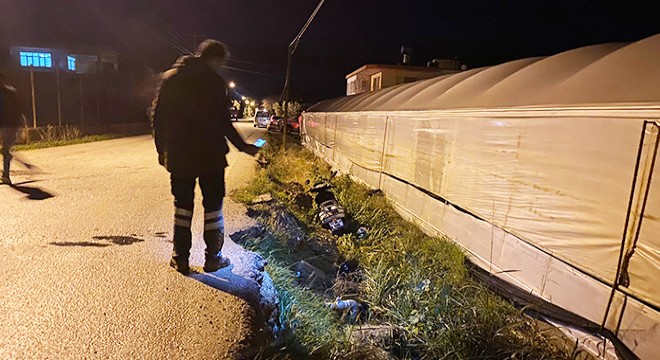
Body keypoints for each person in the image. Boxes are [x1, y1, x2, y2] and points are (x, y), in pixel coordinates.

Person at [150, 40, 260, 274]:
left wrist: (162, 151)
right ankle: (213, 258)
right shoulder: (214, 81)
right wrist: (243, 147)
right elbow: (223, 122)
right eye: (222, 62)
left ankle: (180, 258)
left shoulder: (170, 79)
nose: (223, 67)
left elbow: (158, 118)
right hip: (210, 155)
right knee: (213, 207)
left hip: (179, 155)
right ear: (215, 58)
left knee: (182, 207)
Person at [0, 70, 25, 185]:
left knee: (5, 150)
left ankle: (5, 175)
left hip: (8, 125)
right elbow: (19, 110)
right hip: (9, 125)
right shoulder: (12, 92)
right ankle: (5, 174)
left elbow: (18, 110)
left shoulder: (10, 93)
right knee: (5, 150)